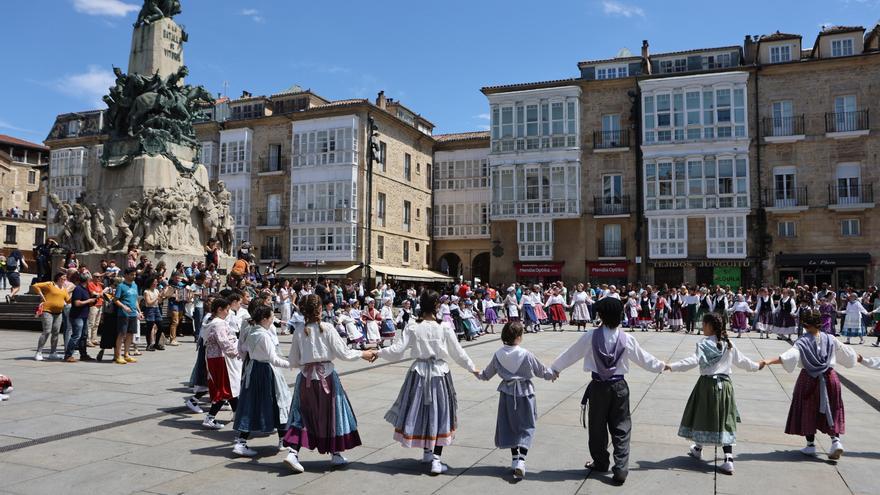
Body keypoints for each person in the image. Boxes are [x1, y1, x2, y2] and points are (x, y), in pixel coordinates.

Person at [550, 297, 667, 485]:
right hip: (619, 387)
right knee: (621, 427)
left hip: (598, 386)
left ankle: (601, 462)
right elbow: (644, 358)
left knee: (597, 427)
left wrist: (555, 368)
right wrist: (661, 366)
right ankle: (620, 468)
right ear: (620, 315)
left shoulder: (591, 336)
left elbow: (572, 353)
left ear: (601, 315)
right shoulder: (627, 338)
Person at [372, 289, 478, 476]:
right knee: (440, 413)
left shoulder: (413, 326)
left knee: (422, 412)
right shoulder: (444, 327)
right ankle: (435, 458)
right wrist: (472, 368)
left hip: (419, 373)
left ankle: (429, 454)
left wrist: (378, 353)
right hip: (439, 373)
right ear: (437, 306)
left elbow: (397, 350)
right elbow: (457, 352)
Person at [281, 294, 371, 473]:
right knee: (332, 415)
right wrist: (363, 354)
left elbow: (293, 360)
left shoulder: (300, 330)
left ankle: (293, 452)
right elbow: (343, 353)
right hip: (327, 377)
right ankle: (335, 453)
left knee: (303, 415)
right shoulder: (327, 328)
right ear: (320, 309)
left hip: (305, 378)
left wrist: (307, 363)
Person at [665, 313, 762, 475]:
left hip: (707, 385)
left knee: (703, 416)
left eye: (703, 324)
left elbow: (692, 361)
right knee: (724, 419)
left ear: (710, 326)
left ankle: (698, 448)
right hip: (725, 386)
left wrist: (671, 366)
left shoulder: (703, 344)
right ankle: (727, 458)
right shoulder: (728, 343)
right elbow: (744, 361)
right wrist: (757, 366)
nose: (702, 327)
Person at [761, 309, 858, 460]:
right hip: (830, 378)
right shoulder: (831, 338)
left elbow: (788, 357)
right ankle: (835, 441)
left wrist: (767, 361)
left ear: (805, 324)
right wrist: (859, 358)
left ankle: (811, 445)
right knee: (832, 407)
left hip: (809, 378)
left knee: (808, 409)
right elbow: (848, 356)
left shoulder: (802, 341)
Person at [477, 321, 555, 480]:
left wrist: (475, 371)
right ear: (519, 337)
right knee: (527, 425)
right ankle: (521, 460)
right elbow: (542, 371)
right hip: (525, 393)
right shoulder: (526, 354)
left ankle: (514, 458)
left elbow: (486, 374)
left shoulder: (498, 354)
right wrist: (553, 374)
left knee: (509, 424)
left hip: (507, 393)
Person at [232, 305, 292, 457]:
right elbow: (273, 359)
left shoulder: (251, 331)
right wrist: (292, 364)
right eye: (272, 317)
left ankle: (241, 442)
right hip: (266, 371)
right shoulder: (264, 335)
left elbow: (242, 349)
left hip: (253, 370)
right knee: (278, 402)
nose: (273, 319)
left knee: (250, 404)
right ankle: (282, 439)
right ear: (265, 319)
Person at [202, 298, 242, 430]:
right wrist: (236, 352)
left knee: (229, 389)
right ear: (219, 309)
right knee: (225, 388)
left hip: (215, 358)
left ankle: (237, 415)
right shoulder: (218, 323)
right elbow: (224, 342)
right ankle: (210, 417)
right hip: (220, 359)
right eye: (226, 310)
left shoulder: (212, 321)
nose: (228, 312)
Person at [32, 272, 72, 361]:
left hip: (58, 313)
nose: (65, 279)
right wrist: (41, 295)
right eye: (63, 278)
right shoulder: (50, 284)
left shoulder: (64, 289)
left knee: (56, 332)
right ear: (58, 278)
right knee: (47, 331)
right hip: (47, 311)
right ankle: (38, 352)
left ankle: (53, 353)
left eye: (65, 278)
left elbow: (68, 301)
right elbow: (35, 285)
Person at [66, 272, 97, 362]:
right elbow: (77, 303)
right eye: (90, 279)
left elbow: (86, 302)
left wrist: (93, 300)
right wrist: (89, 300)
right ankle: (68, 355)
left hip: (83, 316)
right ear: (87, 280)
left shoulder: (85, 289)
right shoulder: (78, 289)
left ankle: (83, 355)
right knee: (76, 336)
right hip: (77, 316)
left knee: (84, 336)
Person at [114, 268, 141, 365]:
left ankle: (126, 354)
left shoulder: (135, 285)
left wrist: (139, 311)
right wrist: (124, 307)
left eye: (135, 275)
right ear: (126, 275)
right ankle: (118, 355)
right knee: (122, 334)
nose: (134, 276)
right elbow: (115, 300)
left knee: (130, 334)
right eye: (131, 275)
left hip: (133, 313)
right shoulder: (121, 286)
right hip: (123, 314)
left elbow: (136, 300)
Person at [142, 277, 164, 351]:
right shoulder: (146, 291)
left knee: (160, 326)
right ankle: (149, 345)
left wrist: (162, 297)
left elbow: (159, 302)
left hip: (156, 308)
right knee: (149, 327)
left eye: (156, 282)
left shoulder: (156, 290)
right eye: (154, 282)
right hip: (149, 309)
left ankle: (156, 344)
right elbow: (148, 302)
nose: (156, 283)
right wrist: (157, 298)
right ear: (151, 283)